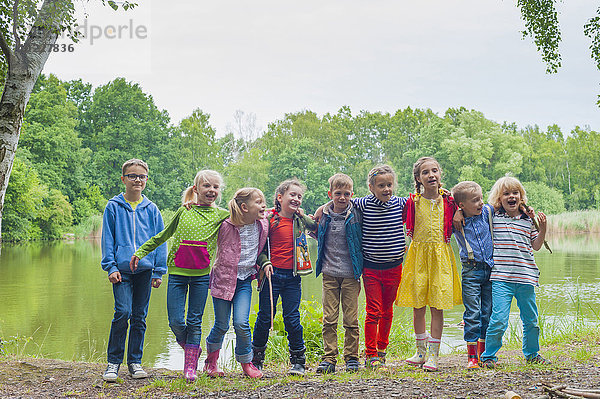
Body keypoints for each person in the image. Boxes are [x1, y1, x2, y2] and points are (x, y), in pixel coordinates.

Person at [130, 170, 229, 382]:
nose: (211, 190)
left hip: (202, 276)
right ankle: (192, 349)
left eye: (215, 187)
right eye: (206, 186)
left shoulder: (222, 215)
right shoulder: (184, 211)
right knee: (175, 321)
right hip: (177, 274)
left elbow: (244, 212)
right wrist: (140, 252)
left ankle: (190, 367)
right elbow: (163, 235)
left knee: (195, 320)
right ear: (196, 189)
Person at [101, 158, 167, 382]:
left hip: (146, 271)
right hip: (121, 271)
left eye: (142, 176)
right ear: (123, 179)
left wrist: (159, 270)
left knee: (139, 316)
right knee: (123, 312)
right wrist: (110, 266)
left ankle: (135, 362)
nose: (137, 179)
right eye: (132, 176)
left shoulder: (152, 209)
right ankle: (113, 363)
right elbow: (107, 239)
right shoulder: (113, 207)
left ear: (146, 180)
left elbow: (160, 240)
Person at [396, 157, 462, 372]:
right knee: (418, 305)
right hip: (418, 256)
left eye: (435, 171)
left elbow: (475, 203)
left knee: (437, 305)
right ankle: (421, 351)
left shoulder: (450, 202)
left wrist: (460, 210)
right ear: (418, 178)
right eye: (426, 172)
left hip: (441, 256)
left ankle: (434, 355)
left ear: (440, 174)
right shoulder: (412, 202)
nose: (431, 175)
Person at [479, 176, 549, 368]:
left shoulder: (528, 220)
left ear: (521, 197)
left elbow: (536, 246)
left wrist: (542, 228)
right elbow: (477, 211)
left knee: (531, 320)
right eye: (506, 193)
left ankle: (532, 354)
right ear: (499, 198)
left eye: (515, 193)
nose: (511, 196)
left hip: (526, 278)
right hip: (501, 278)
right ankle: (488, 356)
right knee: (499, 319)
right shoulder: (494, 217)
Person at [251, 178, 318, 376]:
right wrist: (265, 262)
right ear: (280, 198)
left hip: (292, 278)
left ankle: (298, 361)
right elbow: (260, 248)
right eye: (293, 195)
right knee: (265, 318)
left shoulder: (299, 220)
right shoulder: (269, 220)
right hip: (270, 277)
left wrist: (303, 214)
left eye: (299, 196)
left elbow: (314, 226)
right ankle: (256, 360)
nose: (297, 199)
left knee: (292, 319)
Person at [204, 188, 270, 379]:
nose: (263, 205)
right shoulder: (225, 224)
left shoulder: (262, 223)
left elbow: (280, 211)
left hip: (244, 281)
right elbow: (206, 215)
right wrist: (191, 202)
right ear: (243, 207)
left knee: (241, 323)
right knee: (221, 325)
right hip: (223, 281)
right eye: (258, 202)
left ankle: (246, 363)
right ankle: (211, 362)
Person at [348, 165, 407, 370]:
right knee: (374, 310)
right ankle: (370, 353)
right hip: (371, 268)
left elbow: (423, 202)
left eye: (389, 185)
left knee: (388, 310)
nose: (386, 189)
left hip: (395, 266)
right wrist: (322, 208)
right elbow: (342, 201)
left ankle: (382, 350)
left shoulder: (401, 204)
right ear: (371, 187)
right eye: (381, 185)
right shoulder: (362, 204)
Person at [314, 173, 363, 374]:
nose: (342, 198)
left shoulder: (356, 213)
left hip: (351, 274)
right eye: (338, 193)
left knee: (351, 319)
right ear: (330, 194)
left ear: (352, 194)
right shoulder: (324, 216)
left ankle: (351, 357)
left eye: (346, 194)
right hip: (329, 275)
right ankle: (329, 358)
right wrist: (319, 210)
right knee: (329, 318)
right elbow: (314, 232)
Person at [451, 181, 494, 369]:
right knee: (472, 313)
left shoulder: (487, 213)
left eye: (481, 198)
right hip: (471, 271)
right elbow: (443, 196)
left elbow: (504, 201)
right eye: (475, 200)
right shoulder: (456, 221)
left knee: (487, 312)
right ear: (461, 205)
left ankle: (484, 353)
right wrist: (455, 211)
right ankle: (471, 357)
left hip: (491, 270)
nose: (480, 203)